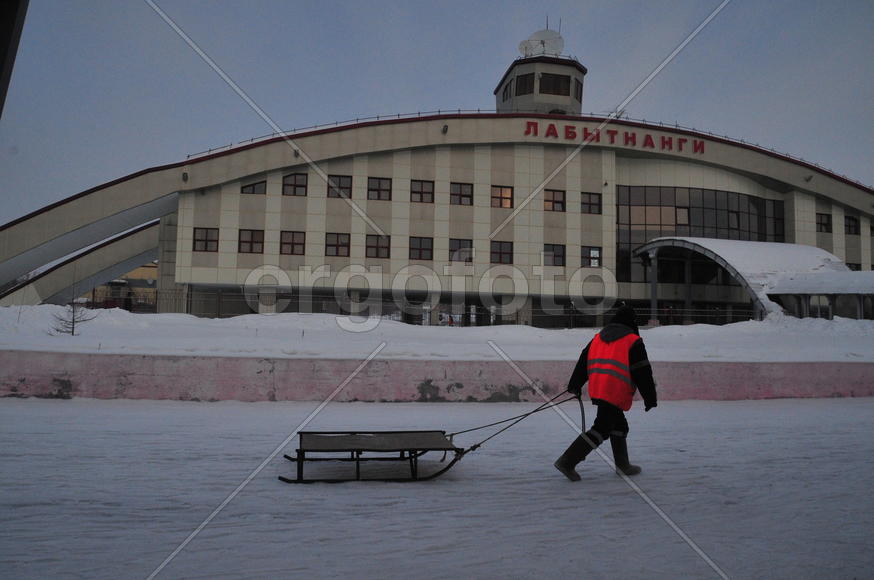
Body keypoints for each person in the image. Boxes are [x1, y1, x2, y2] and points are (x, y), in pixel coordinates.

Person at [554, 303, 657, 481]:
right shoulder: (633, 341)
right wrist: (650, 398)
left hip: (599, 388)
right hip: (616, 391)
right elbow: (643, 371)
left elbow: (583, 361)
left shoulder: (597, 338)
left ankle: (623, 465)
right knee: (601, 428)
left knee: (619, 426)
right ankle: (567, 461)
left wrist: (575, 384)